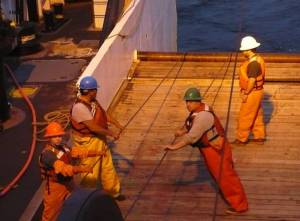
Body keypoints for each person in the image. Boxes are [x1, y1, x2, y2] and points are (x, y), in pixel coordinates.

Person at [160, 88, 248, 214]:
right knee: (219, 175)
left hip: (216, 150)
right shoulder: (199, 110)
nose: (187, 104)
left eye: (190, 102)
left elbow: (192, 137)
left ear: (197, 101)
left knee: (226, 176)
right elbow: (192, 123)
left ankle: (239, 205)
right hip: (209, 149)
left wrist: (174, 147)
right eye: (187, 102)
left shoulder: (204, 116)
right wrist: (182, 131)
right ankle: (230, 196)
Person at [70, 76, 125, 201]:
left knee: (107, 166)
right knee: (91, 171)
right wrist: (111, 133)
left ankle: (113, 192)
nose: (96, 91)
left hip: (99, 140)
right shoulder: (80, 108)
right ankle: (87, 198)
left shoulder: (93, 102)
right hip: (88, 143)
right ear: (90, 91)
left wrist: (118, 124)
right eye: (95, 89)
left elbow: (104, 114)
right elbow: (93, 127)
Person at [40, 121, 104, 221]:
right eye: (55, 136)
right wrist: (81, 169)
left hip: (69, 183)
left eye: (59, 136)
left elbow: (77, 152)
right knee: (50, 215)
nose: (58, 139)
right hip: (55, 188)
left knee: (78, 201)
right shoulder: (47, 155)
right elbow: (63, 168)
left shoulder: (63, 147)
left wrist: (97, 153)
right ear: (49, 138)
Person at [233, 36, 266, 145]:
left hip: (252, 92)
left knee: (245, 115)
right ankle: (259, 136)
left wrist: (246, 93)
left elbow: (251, 81)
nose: (242, 52)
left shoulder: (253, 64)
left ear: (249, 50)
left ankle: (241, 138)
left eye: (244, 50)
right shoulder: (257, 59)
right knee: (256, 114)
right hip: (258, 91)